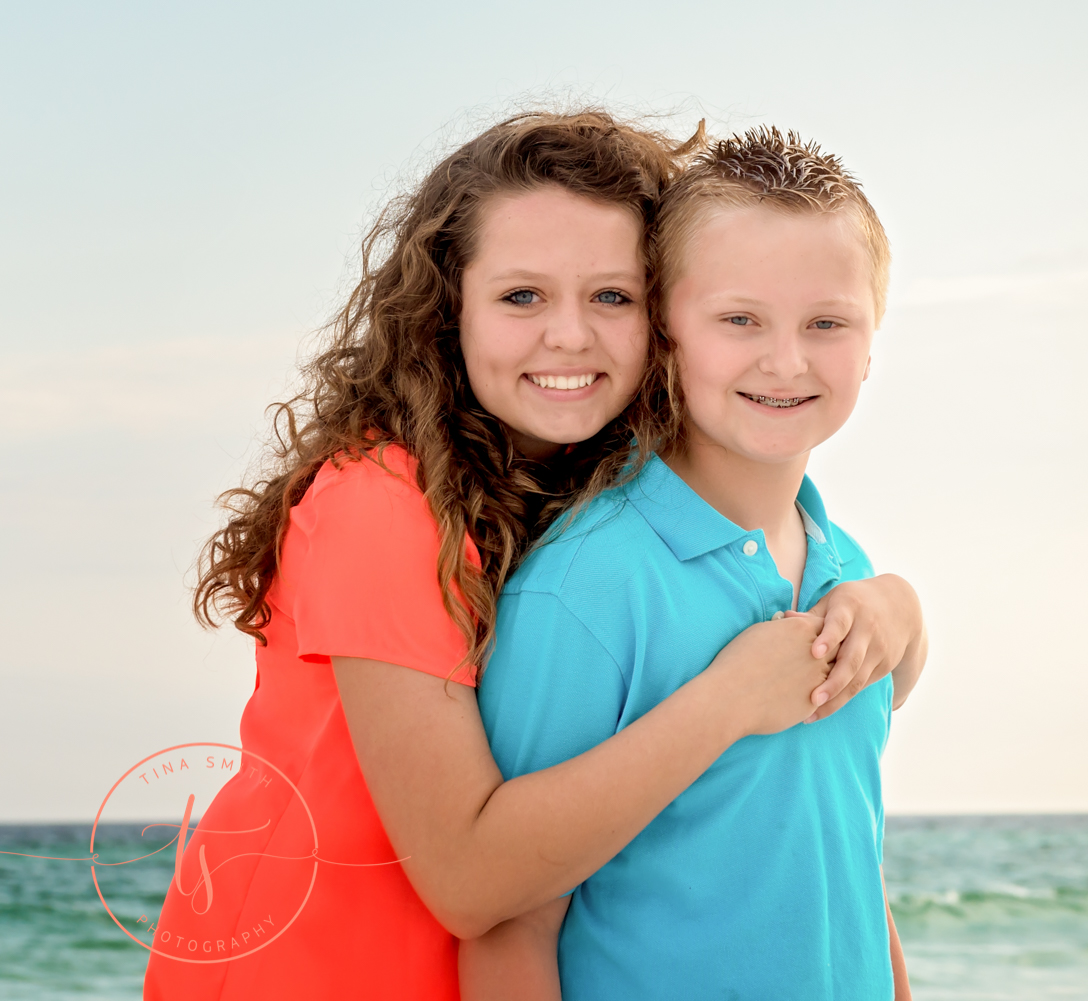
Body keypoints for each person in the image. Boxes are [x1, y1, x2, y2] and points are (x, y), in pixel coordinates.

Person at [143, 111, 928, 1001]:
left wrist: (897, 610)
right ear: (449, 312)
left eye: (612, 296)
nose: (570, 336)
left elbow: (826, 782)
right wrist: (731, 699)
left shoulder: (588, 490)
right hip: (317, 972)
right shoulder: (381, 507)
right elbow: (474, 882)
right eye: (522, 296)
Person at [470, 126, 915, 1000]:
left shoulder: (846, 565)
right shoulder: (589, 587)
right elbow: (510, 924)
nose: (785, 360)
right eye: (739, 319)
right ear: (666, 330)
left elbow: (847, 861)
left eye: (827, 322)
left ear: (873, 342)